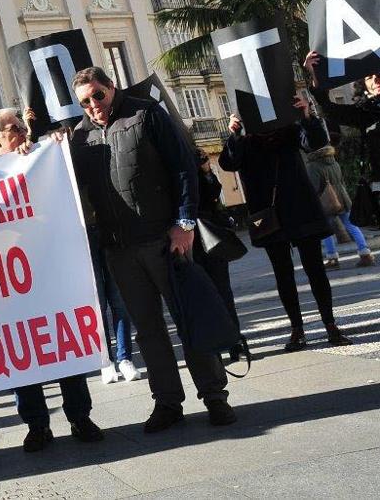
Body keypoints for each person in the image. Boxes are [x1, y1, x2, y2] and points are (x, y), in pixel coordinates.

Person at [68, 66, 235, 432]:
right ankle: (167, 403)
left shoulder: (146, 113)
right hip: (120, 250)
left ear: (112, 87)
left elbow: (183, 169)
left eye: (99, 94)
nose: (94, 104)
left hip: (165, 240)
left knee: (189, 318)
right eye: (85, 101)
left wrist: (185, 224)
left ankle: (215, 397)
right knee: (148, 330)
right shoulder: (78, 139)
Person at [0, 109, 104, 452]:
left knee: (64, 343)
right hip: (6, 281)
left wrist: (56, 147)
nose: (23, 131)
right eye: (14, 128)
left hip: (49, 271)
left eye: (22, 125)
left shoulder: (40, 158)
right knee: (21, 352)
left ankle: (80, 416)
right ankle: (36, 424)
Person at [217, 98, 353, 351]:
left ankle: (330, 325)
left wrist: (306, 115)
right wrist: (233, 134)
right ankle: (296, 329)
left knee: (315, 270)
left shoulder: (289, 131)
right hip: (270, 216)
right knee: (283, 273)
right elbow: (228, 163)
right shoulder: (245, 141)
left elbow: (315, 143)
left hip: (300, 209)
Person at [17, 108, 137, 384]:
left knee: (118, 298)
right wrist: (31, 132)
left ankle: (125, 357)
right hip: (76, 236)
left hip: (104, 229)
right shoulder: (46, 152)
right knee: (97, 300)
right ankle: (106, 360)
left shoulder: (83, 143)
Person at [304, 50, 380, 219]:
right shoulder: (365, 114)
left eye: (378, 74)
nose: (375, 81)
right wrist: (315, 72)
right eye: (369, 77)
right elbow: (328, 109)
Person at [193, 149, 244, 361]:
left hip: (209, 235)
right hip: (187, 241)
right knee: (198, 297)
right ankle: (212, 347)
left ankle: (234, 343)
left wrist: (205, 170)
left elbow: (213, 191)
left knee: (223, 292)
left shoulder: (196, 161)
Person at [304, 140, 374, 269]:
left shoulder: (313, 166)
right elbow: (342, 181)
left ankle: (332, 258)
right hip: (342, 198)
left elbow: (313, 187)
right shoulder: (334, 162)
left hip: (326, 202)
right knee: (352, 226)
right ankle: (365, 254)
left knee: (326, 231)